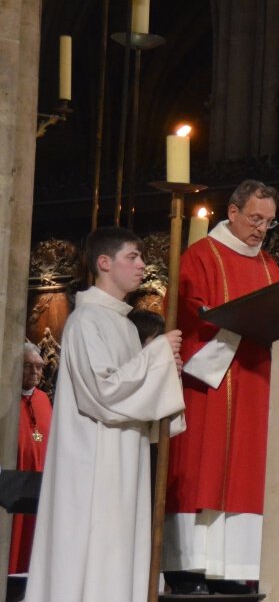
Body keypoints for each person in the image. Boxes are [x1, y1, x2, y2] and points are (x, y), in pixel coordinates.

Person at [25, 226, 184, 602]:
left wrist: (162, 371)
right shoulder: (86, 321)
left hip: (123, 457)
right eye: (133, 257)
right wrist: (156, 358)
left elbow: (133, 393)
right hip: (95, 464)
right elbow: (104, 391)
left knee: (116, 548)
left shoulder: (123, 325)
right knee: (94, 550)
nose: (142, 265)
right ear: (104, 262)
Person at [163, 180, 279, 595]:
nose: (261, 229)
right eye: (255, 218)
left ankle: (236, 568)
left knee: (246, 473)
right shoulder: (199, 257)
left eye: (268, 221)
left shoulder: (270, 266)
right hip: (208, 387)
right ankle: (188, 567)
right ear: (232, 212)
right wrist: (239, 329)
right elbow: (189, 318)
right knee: (204, 468)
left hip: (254, 382)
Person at [8, 343, 52, 576]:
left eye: (39, 367)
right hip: (12, 483)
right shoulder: (6, 398)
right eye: (28, 367)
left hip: (38, 482)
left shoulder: (44, 399)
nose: (34, 373)